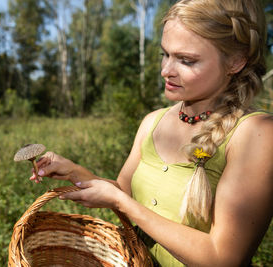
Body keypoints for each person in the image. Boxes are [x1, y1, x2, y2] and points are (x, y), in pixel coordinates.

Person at [29, 0, 273, 266]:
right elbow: (122, 191)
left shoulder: (256, 135)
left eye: (186, 60)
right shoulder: (152, 122)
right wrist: (76, 172)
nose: (166, 70)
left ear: (235, 62)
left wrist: (124, 204)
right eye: (164, 54)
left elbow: (224, 258)